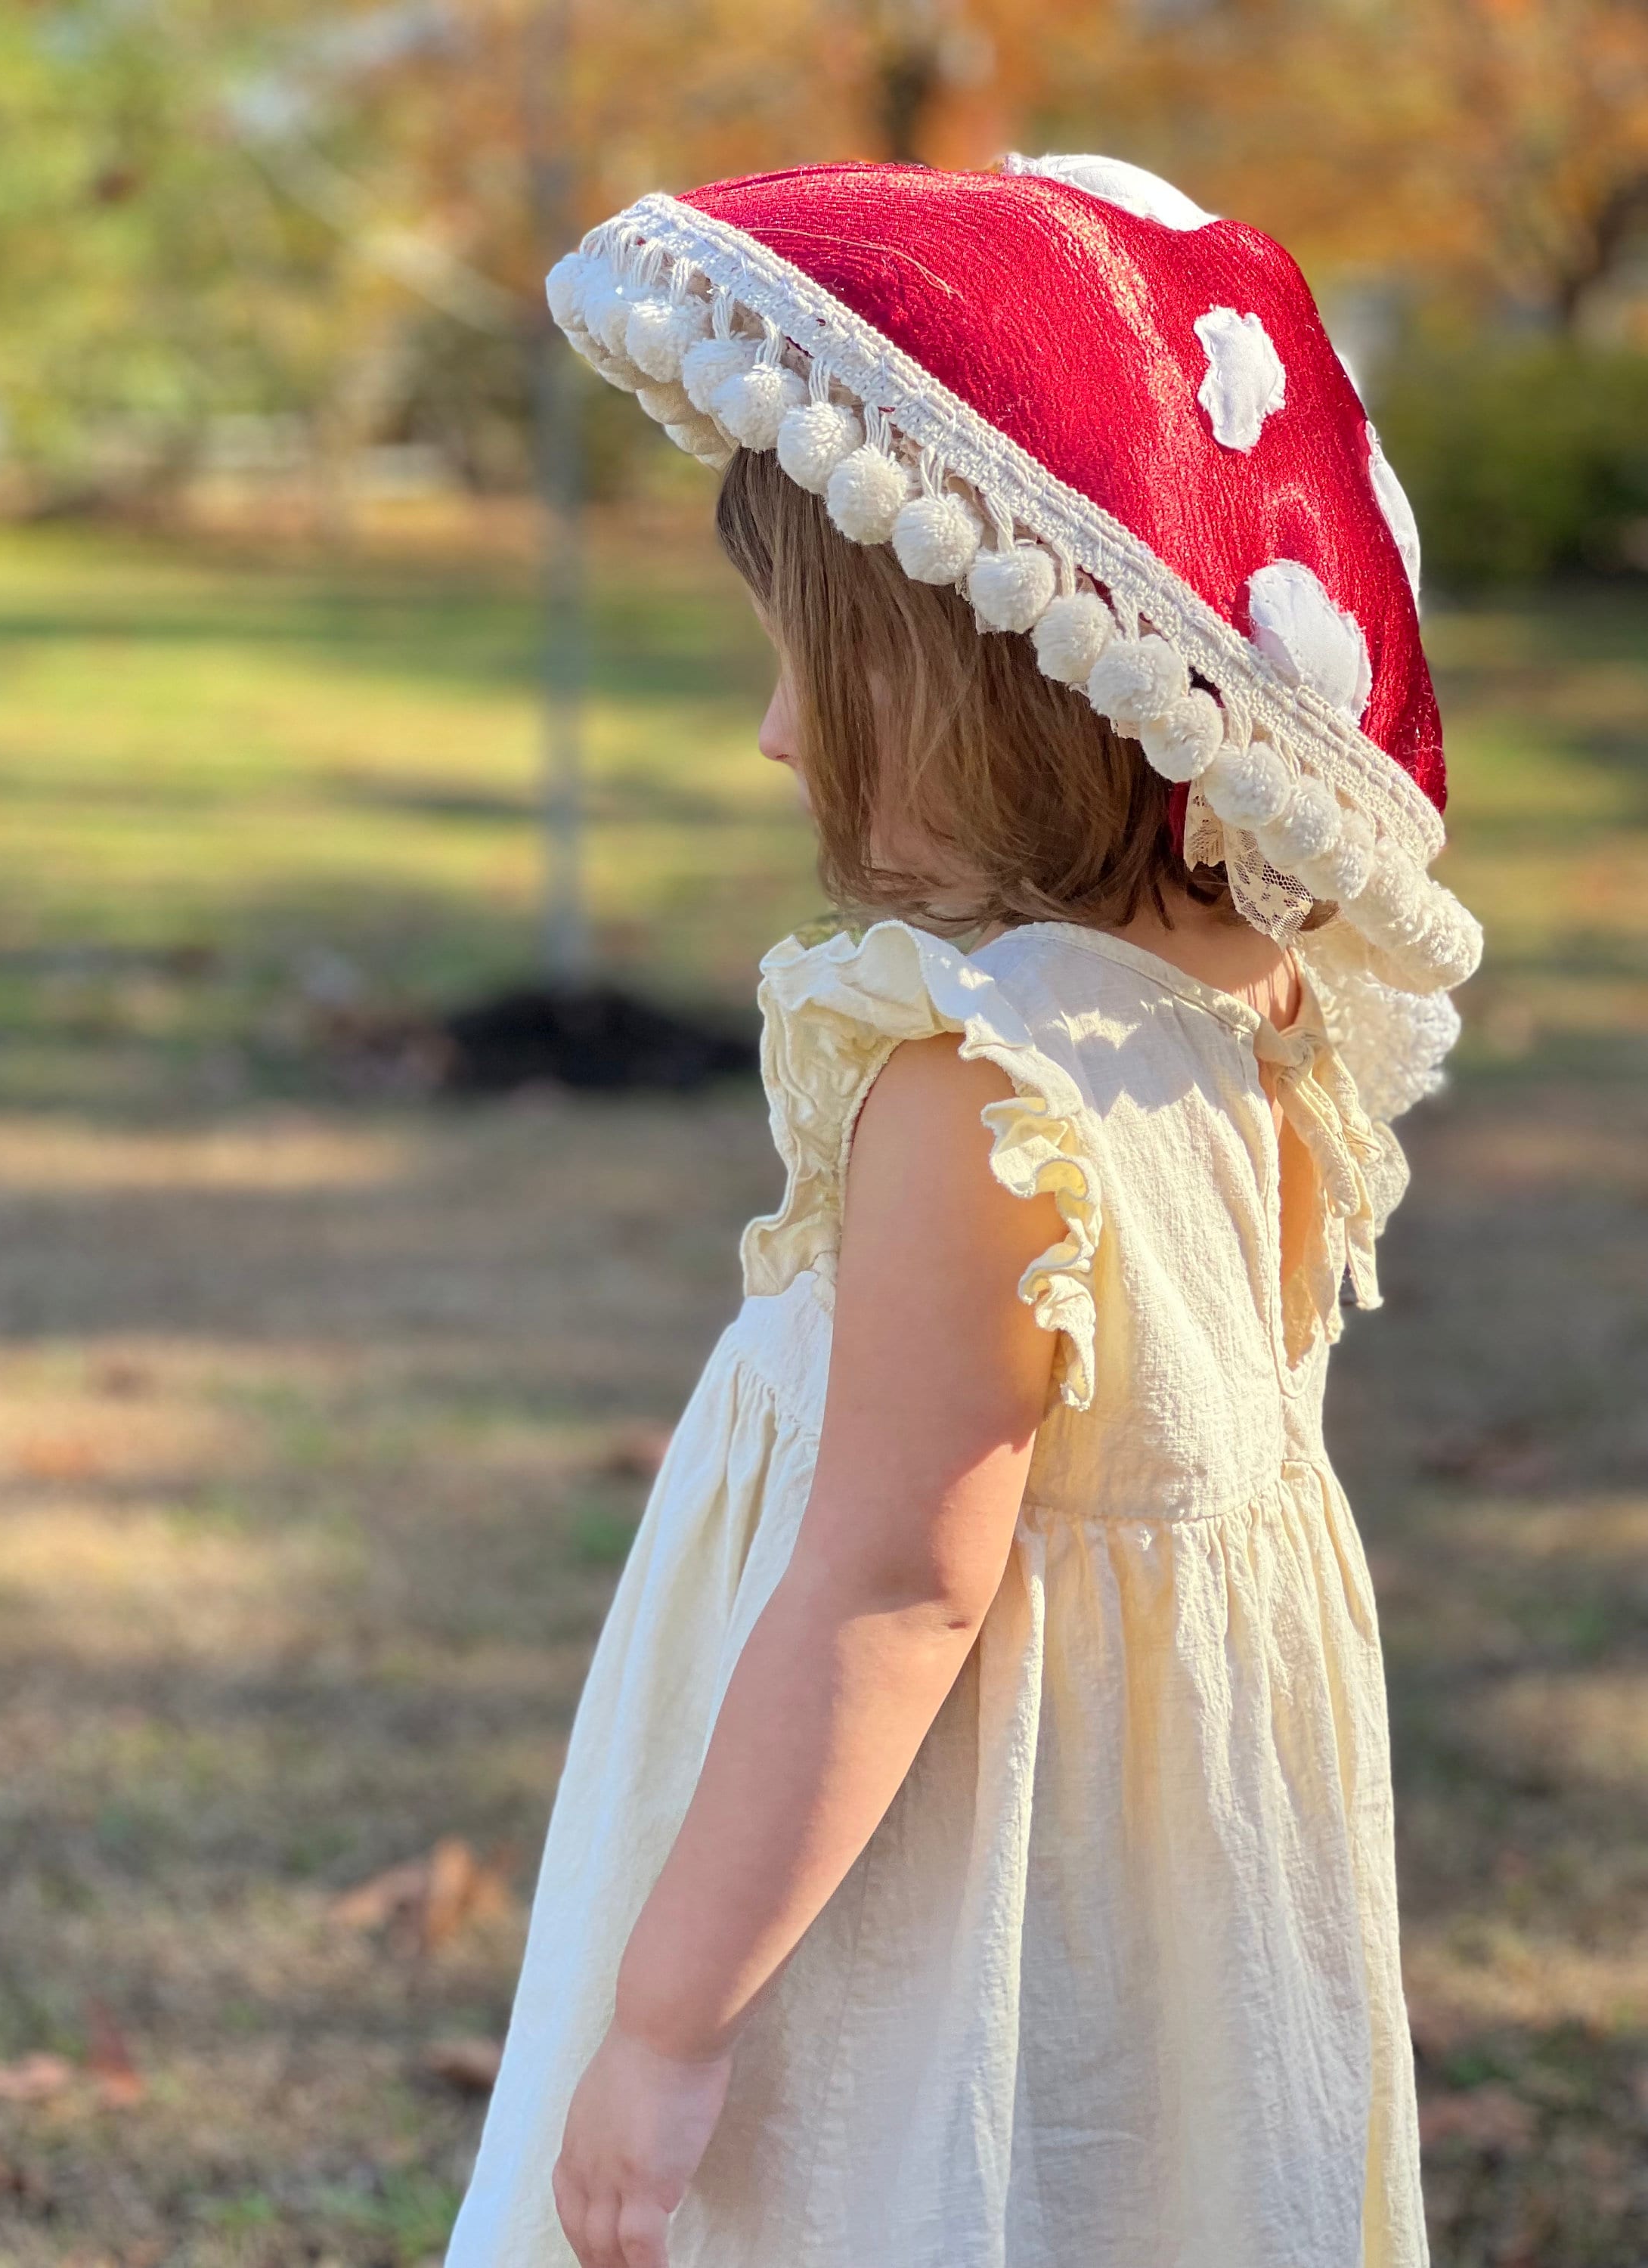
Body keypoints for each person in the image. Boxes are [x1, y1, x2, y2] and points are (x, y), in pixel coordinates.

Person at [447, 154, 1481, 2268]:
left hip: (929, 1873)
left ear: (999, 685)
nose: (766, 735)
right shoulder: (1244, 1014)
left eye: (807, 666)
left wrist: (665, 2018)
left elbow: (893, 1594)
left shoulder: (976, 1090)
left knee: (906, 2194)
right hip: (1164, 1871)